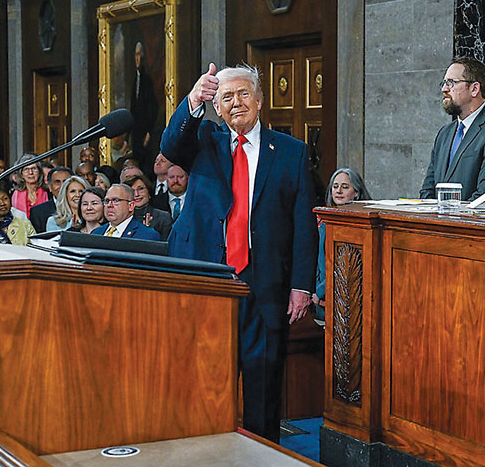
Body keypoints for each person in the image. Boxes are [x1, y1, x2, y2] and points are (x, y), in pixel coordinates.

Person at [161, 62, 317, 442]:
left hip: (264, 287)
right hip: (211, 283)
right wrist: (194, 99)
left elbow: (302, 225)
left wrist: (300, 285)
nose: (236, 102)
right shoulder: (204, 142)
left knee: (263, 394)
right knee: (205, 388)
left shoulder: (292, 152)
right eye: (226, 97)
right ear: (218, 108)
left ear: (260, 101)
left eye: (244, 93)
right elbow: (170, 145)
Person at [420, 57, 485, 202]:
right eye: (444, 83)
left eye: (451, 83)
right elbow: (428, 189)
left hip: (472, 223)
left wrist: (452, 217)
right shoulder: (444, 133)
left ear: (474, 89)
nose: (444, 89)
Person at [314, 168, 371, 322]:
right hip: (320, 298)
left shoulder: (357, 223)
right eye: (335, 186)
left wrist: (319, 293)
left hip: (345, 298)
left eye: (345, 187)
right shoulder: (326, 219)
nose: (338, 191)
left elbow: (345, 266)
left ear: (357, 192)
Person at [91, 183, 160, 240]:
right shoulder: (96, 233)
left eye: (116, 200)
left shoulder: (147, 235)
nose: (109, 205)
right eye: (107, 201)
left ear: (131, 206)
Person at [130, 41, 159, 174]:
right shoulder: (135, 78)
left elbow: (152, 107)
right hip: (135, 130)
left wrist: (149, 131)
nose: (138, 58)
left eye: (140, 55)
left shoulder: (147, 79)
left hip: (146, 131)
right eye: (136, 54)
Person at [125, 174, 173, 240]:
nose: (136, 194)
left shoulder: (163, 217)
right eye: (132, 191)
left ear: (149, 193)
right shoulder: (122, 217)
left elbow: (165, 246)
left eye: (141, 189)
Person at [29, 166, 72, 232]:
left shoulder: (81, 207)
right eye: (57, 182)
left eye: (66, 182)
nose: (62, 186)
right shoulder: (38, 212)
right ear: (50, 187)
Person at [10, 154, 49, 220]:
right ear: (21, 174)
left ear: (39, 172)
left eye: (34, 168)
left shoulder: (48, 192)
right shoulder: (14, 194)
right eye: (26, 169)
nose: (30, 172)